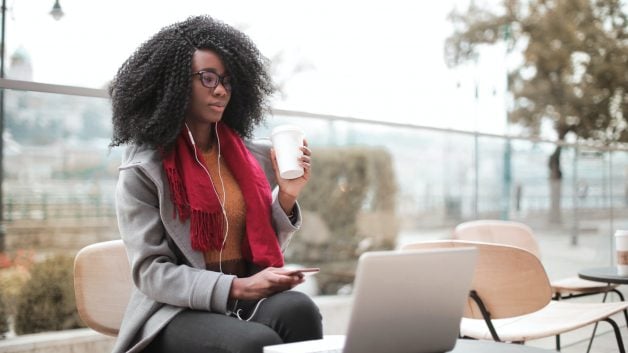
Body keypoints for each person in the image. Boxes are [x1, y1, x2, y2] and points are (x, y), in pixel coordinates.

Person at [108, 15, 322, 353]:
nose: (220, 89)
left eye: (226, 80)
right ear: (174, 82)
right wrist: (236, 287)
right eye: (207, 78)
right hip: (174, 312)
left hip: (239, 299)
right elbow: (151, 272)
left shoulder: (250, 157)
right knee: (257, 342)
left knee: (300, 309)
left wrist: (287, 196)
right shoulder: (144, 167)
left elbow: (262, 248)